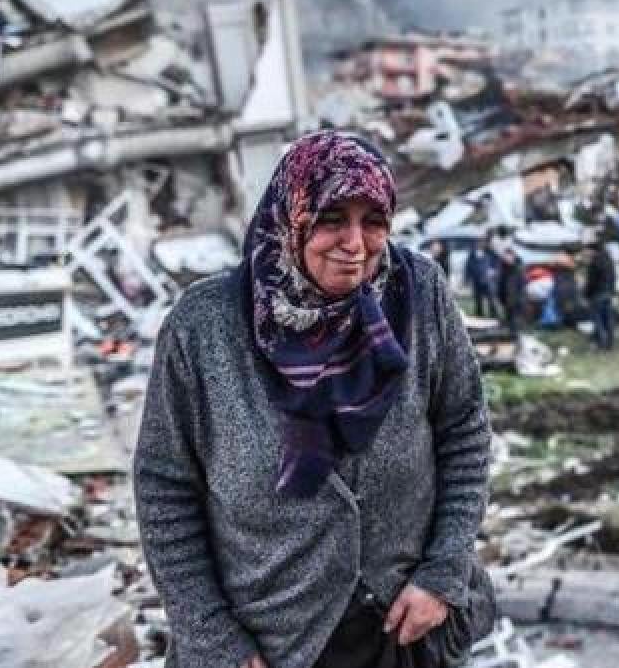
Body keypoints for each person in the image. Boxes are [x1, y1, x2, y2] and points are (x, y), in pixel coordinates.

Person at [135, 131, 495, 668]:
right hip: (270, 644)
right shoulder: (204, 326)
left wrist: (443, 572)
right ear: (292, 219)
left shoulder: (419, 296)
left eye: (373, 221)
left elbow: (463, 430)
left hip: (404, 632)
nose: (355, 243)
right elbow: (165, 486)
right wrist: (213, 637)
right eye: (331, 219)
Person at [583, 238, 616, 350]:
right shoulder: (609, 260)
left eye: (587, 250)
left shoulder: (594, 262)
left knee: (598, 320)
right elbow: (613, 278)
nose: (586, 252)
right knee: (608, 319)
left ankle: (601, 343)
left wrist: (586, 294)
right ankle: (610, 343)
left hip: (597, 294)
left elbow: (591, 281)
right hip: (608, 293)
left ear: (593, 250)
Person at [465, 232, 502, 319]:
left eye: (482, 242)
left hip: (488, 279)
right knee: (478, 299)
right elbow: (468, 266)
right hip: (476, 279)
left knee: (491, 298)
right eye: (478, 242)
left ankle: (494, 315)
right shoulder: (472, 254)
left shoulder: (491, 252)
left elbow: (496, 264)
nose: (480, 244)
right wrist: (467, 278)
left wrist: (494, 271)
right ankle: (479, 314)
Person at [498, 247, 526, 336]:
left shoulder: (517, 268)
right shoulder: (504, 268)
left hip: (516, 299)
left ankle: (516, 335)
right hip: (506, 298)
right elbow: (501, 284)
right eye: (505, 256)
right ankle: (511, 333)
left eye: (509, 256)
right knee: (509, 318)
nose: (507, 258)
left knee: (515, 320)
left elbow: (519, 285)